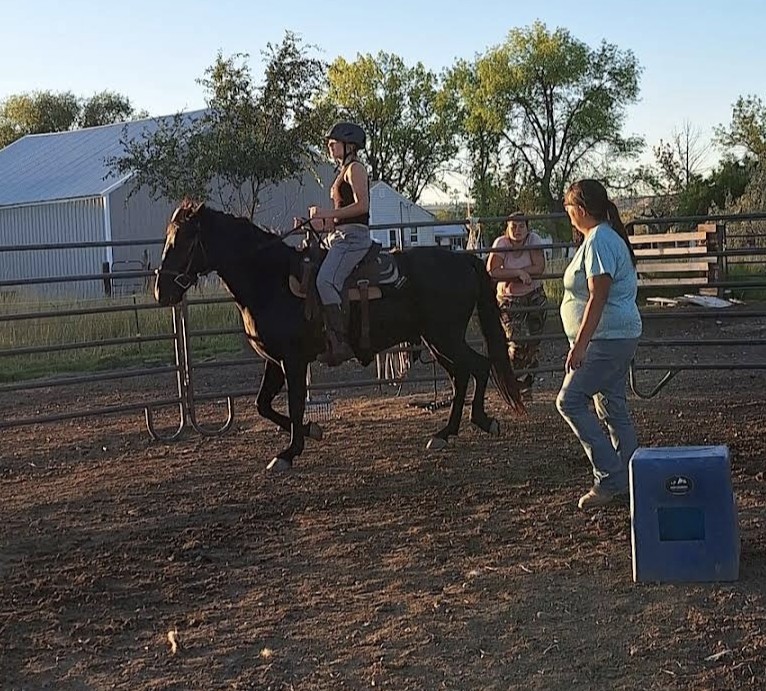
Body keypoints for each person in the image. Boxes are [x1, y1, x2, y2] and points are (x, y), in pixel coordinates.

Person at [556, 179, 643, 510]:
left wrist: (580, 346)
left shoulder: (599, 241)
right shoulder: (601, 238)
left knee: (569, 401)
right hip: (614, 337)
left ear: (580, 209)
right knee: (612, 407)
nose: (568, 214)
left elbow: (598, 295)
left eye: (568, 208)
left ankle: (609, 477)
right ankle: (633, 478)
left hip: (607, 339)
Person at [308, 122, 372, 366]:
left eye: (334, 143)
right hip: (339, 236)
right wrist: (316, 222)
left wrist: (327, 213)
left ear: (350, 146)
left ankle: (340, 342)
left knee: (325, 280)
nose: (329, 146)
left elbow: (362, 206)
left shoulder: (355, 169)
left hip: (353, 238)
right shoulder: (342, 171)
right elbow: (341, 214)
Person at [486, 212, 548, 391]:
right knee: (516, 342)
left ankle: (526, 383)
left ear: (528, 228)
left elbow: (539, 266)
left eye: (521, 226)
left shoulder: (533, 240)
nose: (517, 230)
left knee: (534, 341)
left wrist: (514, 273)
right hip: (509, 298)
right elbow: (493, 271)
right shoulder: (502, 243)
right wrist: (519, 273)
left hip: (533, 294)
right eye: (513, 226)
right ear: (507, 227)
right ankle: (513, 383)